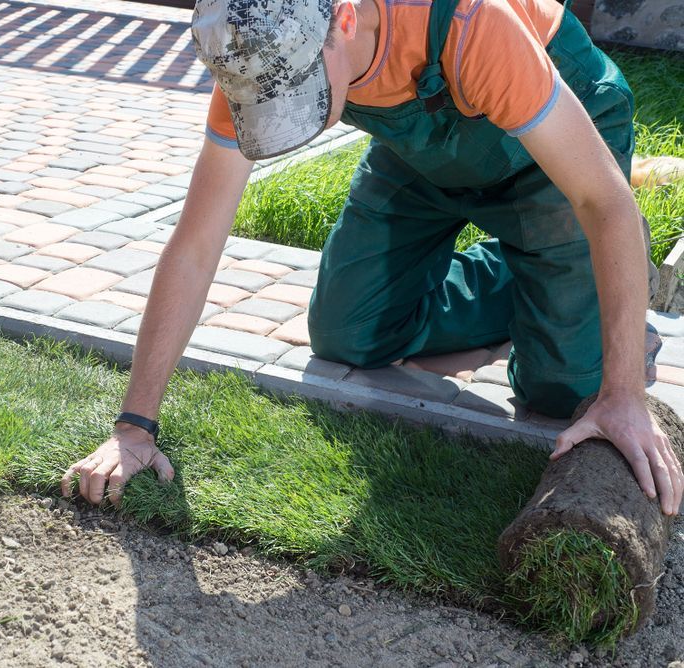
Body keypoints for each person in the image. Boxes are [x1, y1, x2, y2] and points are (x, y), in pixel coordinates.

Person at [61, 0, 684, 515]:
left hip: (554, 143)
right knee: (347, 333)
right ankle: (552, 282)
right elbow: (196, 245)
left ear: (347, 21)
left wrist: (623, 391)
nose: (285, 122)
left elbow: (604, 201)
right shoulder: (256, 53)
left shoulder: (473, 25)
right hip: (423, 151)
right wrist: (134, 425)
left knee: (563, 388)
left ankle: (598, 299)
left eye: (300, 97)